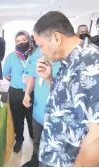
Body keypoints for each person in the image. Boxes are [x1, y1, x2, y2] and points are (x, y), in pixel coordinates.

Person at [34, 11, 99, 167]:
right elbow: (67, 103)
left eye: (41, 46)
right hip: (54, 153)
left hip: (68, 162)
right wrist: (49, 78)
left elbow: (96, 136)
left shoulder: (91, 63)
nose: (41, 51)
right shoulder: (70, 59)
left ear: (57, 38)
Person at [22, 49, 61, 167]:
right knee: (37, 139)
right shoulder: (38, 54)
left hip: (56, 113)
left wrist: (49, 78)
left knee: (54, 145)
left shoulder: (65, 58)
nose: (41, 49)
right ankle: (35, 159)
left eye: (43, 44)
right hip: (38, 111)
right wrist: (27, 93)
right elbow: (32, 76)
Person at [3, 30, 35, 154]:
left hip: (32, 92)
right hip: (16, 92)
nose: (21, 43)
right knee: (18, 118)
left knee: (32, 118)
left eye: (24, 40)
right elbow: (6, 75)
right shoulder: (11, 57)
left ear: (29, 40)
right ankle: (19, 139)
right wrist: (19, 82)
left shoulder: (35, 55)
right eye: (18, 41)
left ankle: (34, 139)